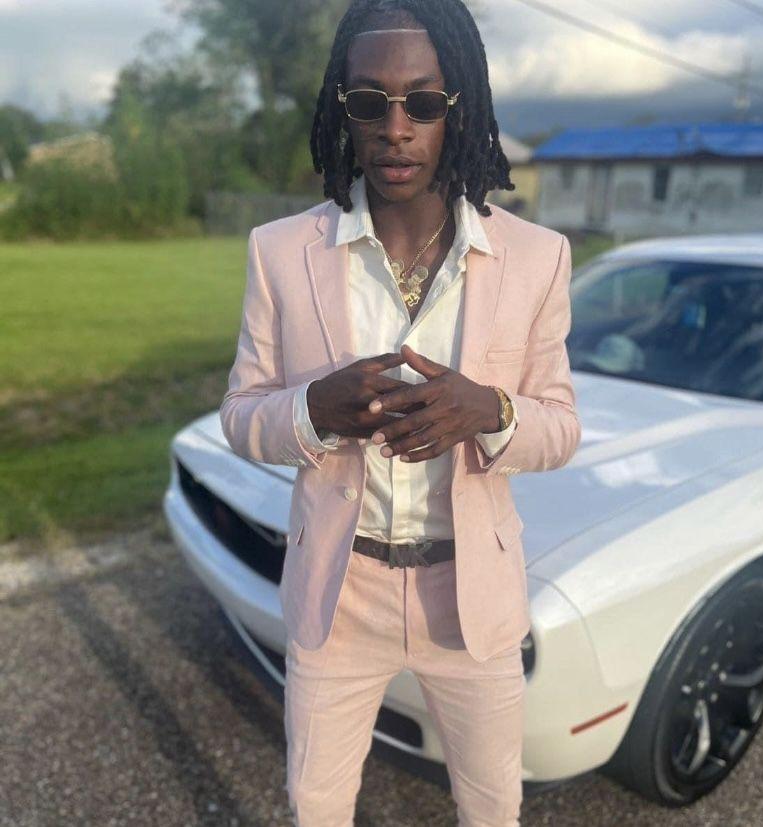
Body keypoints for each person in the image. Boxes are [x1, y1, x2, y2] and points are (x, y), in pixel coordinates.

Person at [219, 0, 581, 823]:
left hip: (470, 593)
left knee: (491, 804)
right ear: (341, 109)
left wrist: (488, 409)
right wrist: (313, 408)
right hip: (338, 592)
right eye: (367, 101)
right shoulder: (280, 251)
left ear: (460, 107)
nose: (394, 128)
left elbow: (561, 426)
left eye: (421, 101)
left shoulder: (536, 257)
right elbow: (240, 414)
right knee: (316, 803)